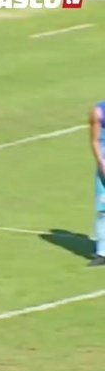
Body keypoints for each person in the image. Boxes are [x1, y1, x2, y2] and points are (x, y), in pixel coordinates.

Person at [90, 102, 105, 266]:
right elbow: (95, 141)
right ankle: (103, 252)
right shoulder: (99, 112)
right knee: (104, 209)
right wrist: (102, 164)